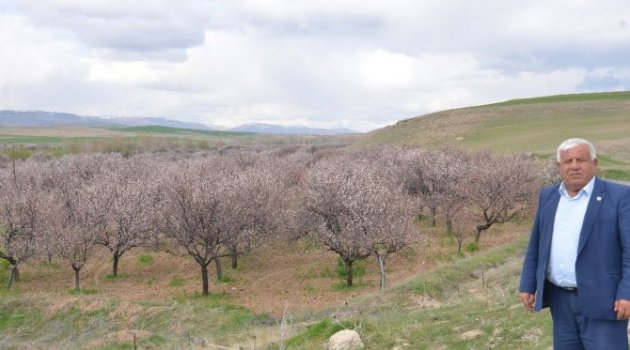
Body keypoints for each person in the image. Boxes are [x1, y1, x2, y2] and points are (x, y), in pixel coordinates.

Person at [520, 138, 630, 349]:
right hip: (560, 300)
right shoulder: (548, 195)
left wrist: (627, 292)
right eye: (568, 161)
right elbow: (536, 244)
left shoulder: (620, 196)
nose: (574, 166)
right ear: (559, 166)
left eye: (581, 159)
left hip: (605, 299)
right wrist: (528, 284)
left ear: (594, 163)